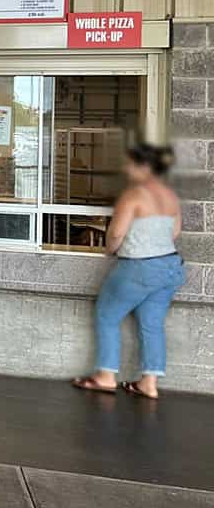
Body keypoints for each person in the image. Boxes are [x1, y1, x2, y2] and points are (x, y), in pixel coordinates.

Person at [72, 144, 183, 400]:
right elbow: (174, 232)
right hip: (170, 266)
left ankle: (106, 376)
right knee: (152, 324)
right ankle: (149, 383)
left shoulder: (133, 195)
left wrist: (110, 250)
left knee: (107, 315)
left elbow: (116, 233)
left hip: (139, 267)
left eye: (130, 163)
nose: (126, 168)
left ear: (143, 166)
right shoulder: (170, 196)